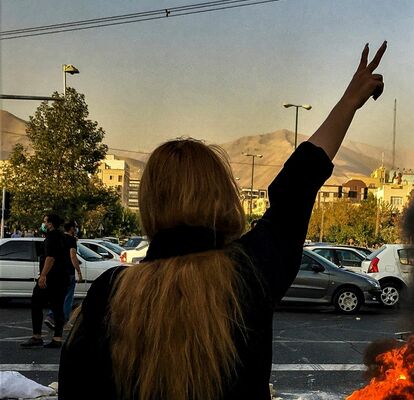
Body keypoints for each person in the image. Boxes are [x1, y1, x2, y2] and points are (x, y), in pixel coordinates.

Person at [59, 42, 387, 399]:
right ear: (222, 195)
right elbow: (298, 183)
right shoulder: (249, 272)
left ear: (151, 203)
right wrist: (349, 102)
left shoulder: (110, 292)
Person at [20, 214, 71, 348]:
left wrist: (43, 275)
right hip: (62, 278)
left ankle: (37, 336)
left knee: (36, 303)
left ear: (50, 224)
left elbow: (50, 258)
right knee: (58, 307)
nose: (43, 224)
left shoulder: (51, 237)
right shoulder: (63, 236)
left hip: (52, 278)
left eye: (45, 222)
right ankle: (57, 338)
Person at [45, 221, 82, 330]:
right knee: (68, 297)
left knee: (58, 296)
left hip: (57, 271)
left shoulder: (59, 238)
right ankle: (64, 322)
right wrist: (78, 271)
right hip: (68, 272)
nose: (76, 229)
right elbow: (72, 256)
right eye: (75, 227)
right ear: (71, 228)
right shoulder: (71, 240)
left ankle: (51, 316)